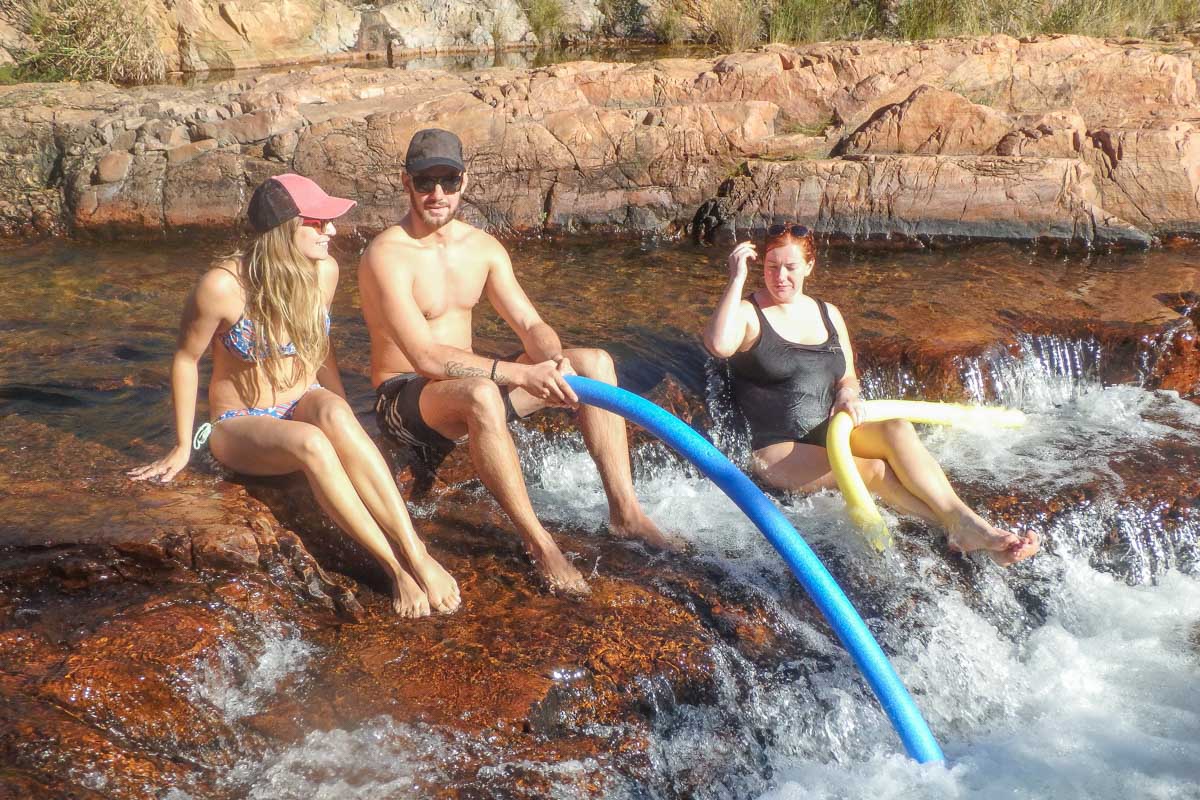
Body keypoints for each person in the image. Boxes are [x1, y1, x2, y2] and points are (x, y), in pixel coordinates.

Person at [129, 173, 461, 616]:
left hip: (302, 397)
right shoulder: (222, 287)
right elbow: (185, 359)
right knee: (312, 443)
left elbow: (321, 347)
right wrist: (181, 445)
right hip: (240, 424)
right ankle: (394, 569)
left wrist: (343, 413)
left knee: (336, 417)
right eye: (318, 222)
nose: (332, 231)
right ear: (285, 229)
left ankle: (417, 553)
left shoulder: (324, 272)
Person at [359, 128, 671, 597]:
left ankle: (626, 512)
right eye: (425, 182)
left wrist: (555, 361)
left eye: (448, 180)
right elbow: (424, 356)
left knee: (595, 362)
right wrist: (522, 373)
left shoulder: (482, 248)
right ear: (407, 183)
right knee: (482, 393)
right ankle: (540, 544)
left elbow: (529, 323)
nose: (437, 193)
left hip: (466, 382)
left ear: (464, 181)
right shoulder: (387, 255)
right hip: (406, 398)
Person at [703, 224, 1039, 565]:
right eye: (772, 266)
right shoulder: (748, 313)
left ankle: (966, 523)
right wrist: (736, 279)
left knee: (897, 428)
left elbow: (847, 376)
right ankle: (966, 533)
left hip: (831, 433)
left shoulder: (828, 314)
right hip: (778, 451)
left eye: (790, 267)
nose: (780, 277)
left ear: (809, 266)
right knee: (874, 470)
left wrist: (848, 395)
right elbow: (718, 345)